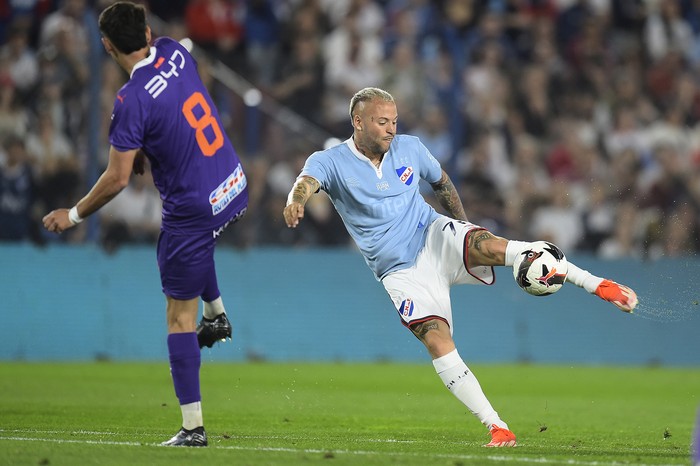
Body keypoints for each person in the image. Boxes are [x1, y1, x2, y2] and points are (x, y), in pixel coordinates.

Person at [283, 87, 638, 447]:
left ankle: (597, 284)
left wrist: (464, 228)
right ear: (358, 122)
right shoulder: (330, 161)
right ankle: (497, 426)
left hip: (433, 233)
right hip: (399, 271)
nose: (391, 129)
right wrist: (296, 202)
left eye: (394, 121)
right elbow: (305, 183)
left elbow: (442, 183)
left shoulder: (410, 147)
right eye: (382, 122)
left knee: (495, 246)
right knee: (436, 340)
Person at [42, 2, 249, 447]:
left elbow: (116, 178)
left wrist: (74, 213)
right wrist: (146, 148)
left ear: (107, 45)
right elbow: (178, 100)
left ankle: (192, 428)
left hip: (192, 205)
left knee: (177, 318)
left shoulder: (129, 100)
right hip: (231, 181)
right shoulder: (175, 49)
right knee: (198, 244)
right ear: (150, 32)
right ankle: (217, 315)